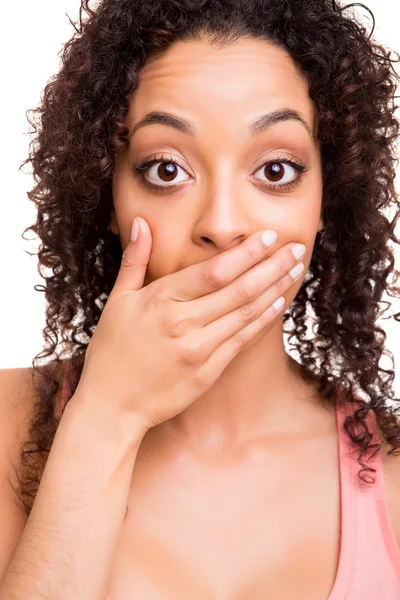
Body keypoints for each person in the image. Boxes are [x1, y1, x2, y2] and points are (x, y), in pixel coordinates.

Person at [1, 0, 400, 598]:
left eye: (274, 170)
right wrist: (106, 419)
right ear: (108, 200)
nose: (221, 223)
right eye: (165, 169)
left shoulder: (391, 477)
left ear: (325, 200)